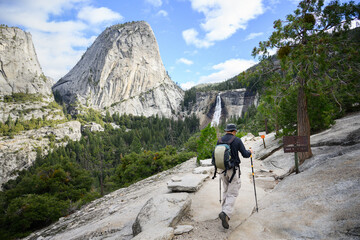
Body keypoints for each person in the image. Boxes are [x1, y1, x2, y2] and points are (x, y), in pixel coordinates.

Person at [217, 123, 253, 229]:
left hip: (221, 169)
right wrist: (250, 152)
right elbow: (245, 155)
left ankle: (224, 210)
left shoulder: (219, 140)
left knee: (226, 190)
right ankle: (226, 213)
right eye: (235, 131)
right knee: (233, 192)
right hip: (233, 170)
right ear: (234, 131)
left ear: (226, 130)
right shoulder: (236, 140)